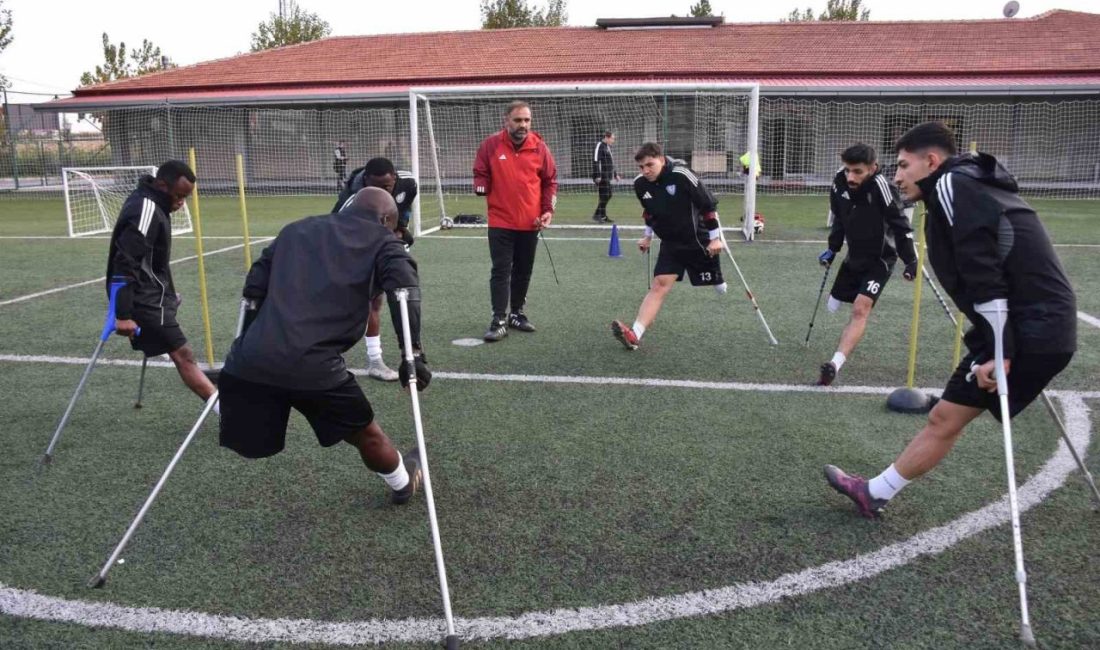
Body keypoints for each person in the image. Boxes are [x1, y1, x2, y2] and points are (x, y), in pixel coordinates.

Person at [824, 121, 1077, 518]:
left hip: (1028, 327)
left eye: (904, 166)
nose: (897, 176)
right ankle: (873, 493)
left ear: (931, 161)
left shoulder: (952, 185)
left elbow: (984, 274)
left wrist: (1001, 350)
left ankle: (873, 493)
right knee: (945, 416)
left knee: (946, 417)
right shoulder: (965, 183)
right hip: (1031, 324)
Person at [219, 187, 429, 505]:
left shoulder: (294, 230)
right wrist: (412, 354)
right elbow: (404, 289)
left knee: (253, 433)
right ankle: (403, 482)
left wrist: (244, 343)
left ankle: (402, 479)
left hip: (251, 359)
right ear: (386, 220)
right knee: (366, 435)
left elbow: (254, 287)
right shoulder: (383, 241)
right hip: (314, 367)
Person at [106, 160, 216, 405]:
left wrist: (168, 295)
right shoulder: (145, 209)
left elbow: (154, 264)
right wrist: (123, 314)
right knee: (183, 355)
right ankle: (227, 415)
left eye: (186, 197)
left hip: (153, 294)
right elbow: (126, 262)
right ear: (163, 186)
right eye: (179, 196)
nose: (181, 203)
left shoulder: (155, 204)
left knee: (181, 352)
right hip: (142, 300)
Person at [816, 143, 918, 386]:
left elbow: (901, 226)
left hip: (880, 259)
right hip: (854, 256)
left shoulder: (882, 187)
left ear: (873, 168)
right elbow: (839, 217)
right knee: (833, 304)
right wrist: (833, 248)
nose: (851, 177)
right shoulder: (839, 181)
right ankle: (838, 295)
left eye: (858, 172)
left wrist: (911, 260)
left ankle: (834, 364)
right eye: (848, 170)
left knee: (860, 309)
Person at [611, 142, 727, 351]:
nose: (645, 171)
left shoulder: (682, 175)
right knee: (659, 285)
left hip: (698, 239)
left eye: (650, 165)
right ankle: (634, 334)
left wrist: (715, 238)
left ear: (662, 160)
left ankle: (718, 279)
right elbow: (649, 213)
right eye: (641, 167)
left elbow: (708, 205)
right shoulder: (640, 184)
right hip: (671, 244)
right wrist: (647, 237)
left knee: (719, 287)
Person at [473, 100, 558, 342]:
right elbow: (480, 170)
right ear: (506, 121)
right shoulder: (491, 145)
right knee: (501, 270)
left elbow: (550, 181)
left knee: (523, 270)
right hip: (500, 221)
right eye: (518, 120)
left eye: (527, 120)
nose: (523, 124)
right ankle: (498, 320)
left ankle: (517, 314)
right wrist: (481, 185)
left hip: (531, 222)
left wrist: (548, 210)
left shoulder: (539, 147)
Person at [332, 157, 419, 380]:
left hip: (388, 243)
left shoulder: (408, 183)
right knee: (361, 303)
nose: (380, 192)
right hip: (359, 246)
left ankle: (401, 356)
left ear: (395, 179)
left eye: (386, 187)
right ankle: (357, 358)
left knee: (398, 295)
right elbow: (336, 229)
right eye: (374, 186)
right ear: (365, 181)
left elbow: (404, 207)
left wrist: (400, 228)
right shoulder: (351, 199)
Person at [592, 130, 620, 223]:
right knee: (605, 195)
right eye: (612, 138)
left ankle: (602, 215)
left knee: (608, 195)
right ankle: (598, 215)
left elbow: (610, 162)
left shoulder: (607, 147)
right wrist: (597, 175)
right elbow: (596, 161)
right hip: (601, 176)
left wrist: (615, 174)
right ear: (606, 137)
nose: (613, 141)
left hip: (607, 176)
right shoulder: (599, 145)